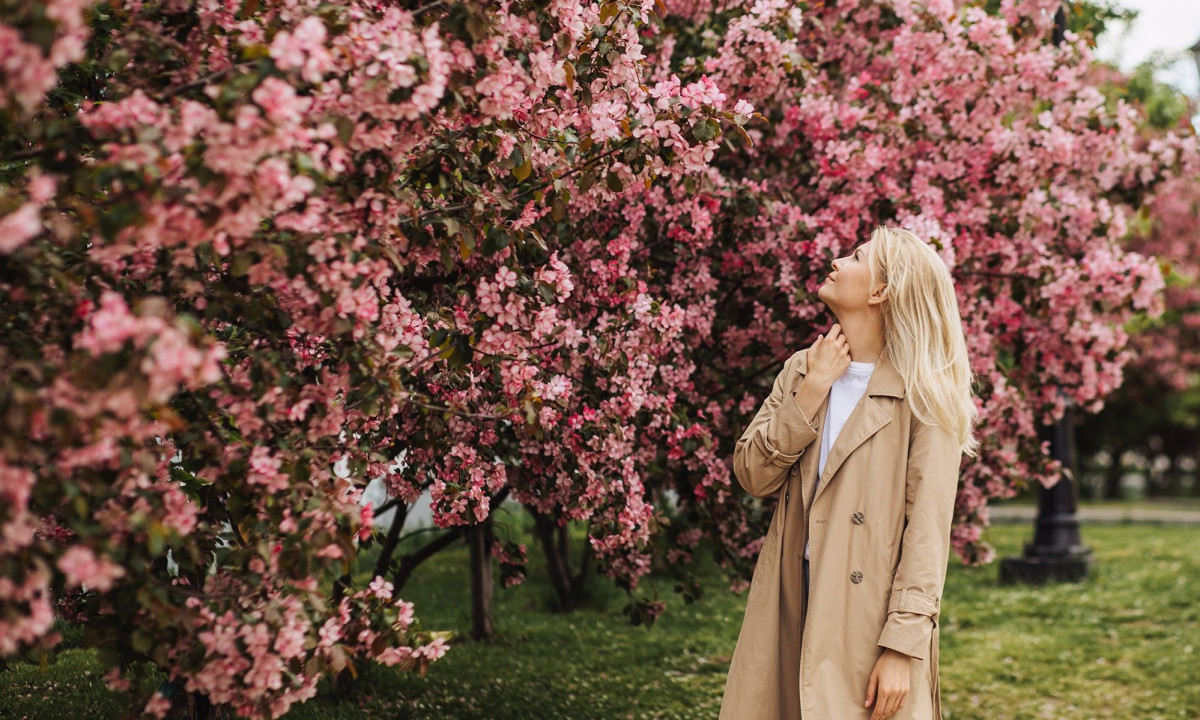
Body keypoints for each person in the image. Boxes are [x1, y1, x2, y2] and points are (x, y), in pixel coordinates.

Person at [719, 226, 978, 720]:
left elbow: (926, 533)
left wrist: (903, 647)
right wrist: (812, 390)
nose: (837, 260)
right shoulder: (803, 369)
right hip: (791, 597)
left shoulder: (924, 395)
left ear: (881, 290)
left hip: (869, 616)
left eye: (858, 256)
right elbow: (753, 475)